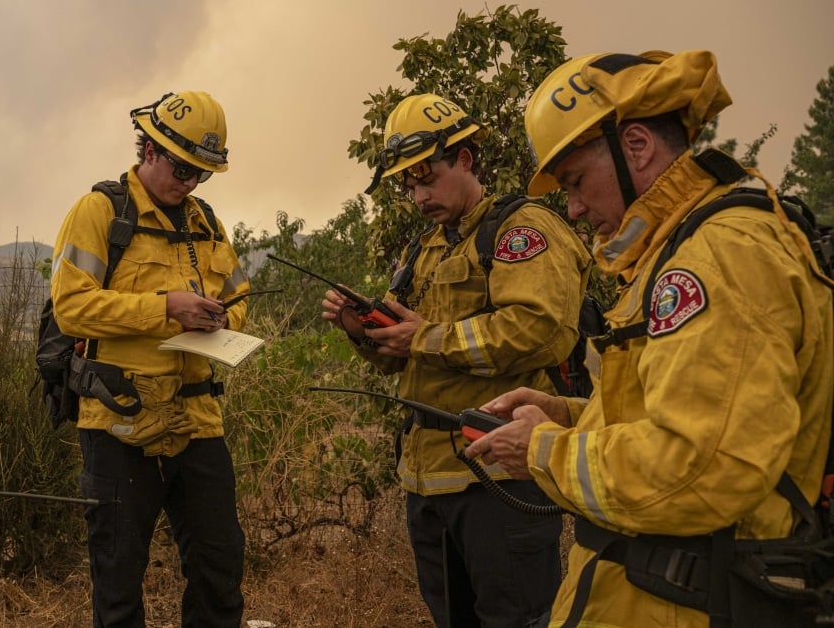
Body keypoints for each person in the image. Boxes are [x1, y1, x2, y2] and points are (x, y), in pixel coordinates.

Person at [463, 51, 834, 626]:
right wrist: (566, 414)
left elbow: (701, 464)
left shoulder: (720, 255)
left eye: (577, 181)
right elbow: (672, 410)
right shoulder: (676, 248)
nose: (575, 207)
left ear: (635, 146)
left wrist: (542, 451)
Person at [322, 93, 592, 627]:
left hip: (498, 473)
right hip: (429, 481)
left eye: (427, 179)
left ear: (465, 160)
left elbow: (541, 333)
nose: (418, 196)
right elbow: (408, 361)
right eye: (408, 185)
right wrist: (367, 334)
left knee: (518, 620)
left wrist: (425, 338)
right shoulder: (424, 249)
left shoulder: (521, 231)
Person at [50, 91, 250, 627]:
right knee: (118, 585)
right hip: (119, 424)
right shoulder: (99, 212)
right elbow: (71, 308)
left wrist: (224, 319)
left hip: (198, 424)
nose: (189, 182)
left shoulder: (205, 222)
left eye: (202, 174)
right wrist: (166, 309)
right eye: (183, 167)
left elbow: (239, 296)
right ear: (151, 150)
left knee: (220, 571)